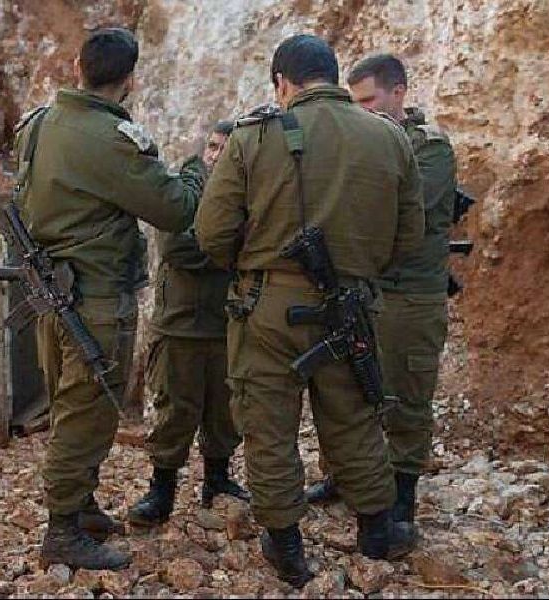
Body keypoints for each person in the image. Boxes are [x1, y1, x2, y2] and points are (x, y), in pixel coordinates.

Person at [194, 34, 425, 587]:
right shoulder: (390, 137)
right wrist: (358, 269)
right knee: (355, 416)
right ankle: (376, 531)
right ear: (334, 75)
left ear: (282, 82)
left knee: (268, 425)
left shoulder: (254, 136)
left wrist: (257, 266)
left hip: (267, 306)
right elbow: (409, 236)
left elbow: (212, 232)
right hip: (351, 303)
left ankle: (286, 545)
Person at [14, 27, 207, 570]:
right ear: (130, 80)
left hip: (53, 294)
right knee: (88, 411)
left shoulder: (36, 125)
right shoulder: (112, 138)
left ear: (77, 66)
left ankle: (81, 506)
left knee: (72, 404)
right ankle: (62, 530)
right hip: (95, 299)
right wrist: (197, 170)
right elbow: (175, 209)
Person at [304, 54, 457, 528]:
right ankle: (345, 476)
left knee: (406, 395)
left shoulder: (429, 148)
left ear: (399, 92)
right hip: (364, 289)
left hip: (409, 294)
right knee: (347, 390)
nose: (362, 110)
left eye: (370, 100)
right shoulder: (363, 142)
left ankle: (402, 496)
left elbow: (396, 211)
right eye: (355, 102)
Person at [127, 121, 251, 528]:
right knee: (174, 411)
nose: (217, 155)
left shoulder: (248, 192)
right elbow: (177, 247)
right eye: (212, 146)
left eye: (225, 148)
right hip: (180, 325)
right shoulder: (184, 188)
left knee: (224, 412)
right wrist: (232, 250)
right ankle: (161, 489)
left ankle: (218, 480)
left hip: (227, 324)